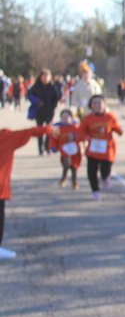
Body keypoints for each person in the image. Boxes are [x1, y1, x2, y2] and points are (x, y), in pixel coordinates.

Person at [0, 122, 52, 259]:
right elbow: (31, 131)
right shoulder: (6, 136)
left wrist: (48, 129)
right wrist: (48, 129)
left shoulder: (6, 136)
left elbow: (30, 131)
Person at [78, 95, 124, 201]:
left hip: (106, 149)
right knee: (91, 172)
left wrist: (120, 131)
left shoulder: (110, 117)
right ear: (91, 105)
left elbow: (116, 127)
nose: (97, 105)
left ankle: (105, 177)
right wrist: (85, 137)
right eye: (95, 103)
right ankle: (96, 190)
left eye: (99, 103)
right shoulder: (87, 119)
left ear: (104, 104)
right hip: (93, 149)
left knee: (105, 169)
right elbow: (80, 132)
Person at [27, 68, 60, 155]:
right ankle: (40, 149)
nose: (45, 78)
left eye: (47, 76)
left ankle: (47, 147)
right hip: (39, 111)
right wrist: (36, 101)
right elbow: (29, 94)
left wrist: (53, 107)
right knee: (40, 130)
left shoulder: (52, 87)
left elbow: (56, 98)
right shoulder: (36, 86)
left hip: (49, 111)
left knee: (49, 129)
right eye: (44, 76)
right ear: (40, 77)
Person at [50, 109, 82, 189]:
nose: (65, 119)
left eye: (67, 117)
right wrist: (53, 147)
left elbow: (81, 135)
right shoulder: (58, 128)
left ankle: (74, 181)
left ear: (71, 118)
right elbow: (53, 138)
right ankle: (64, 178)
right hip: (64, 150)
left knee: (74, 166)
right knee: (66, 163)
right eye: (63, 117)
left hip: (75, 151)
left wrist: (75, 136)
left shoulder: (75, 127)